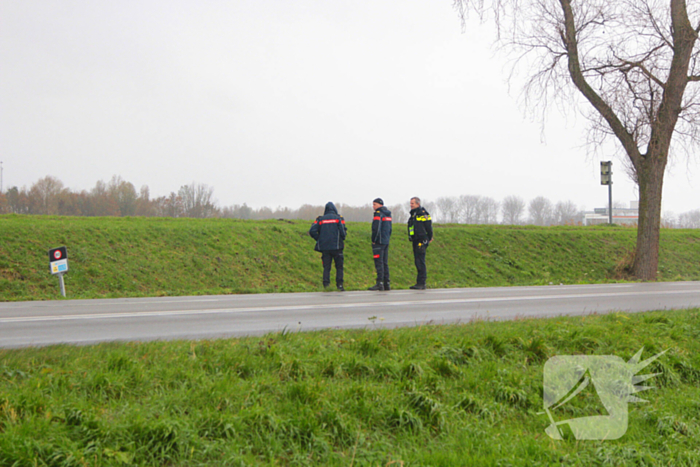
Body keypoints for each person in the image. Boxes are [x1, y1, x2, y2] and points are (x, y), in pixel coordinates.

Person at [309, 202, 347, 291]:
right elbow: (342, 232)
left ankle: (326, 285)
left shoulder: (320, 219)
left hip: (325, 247)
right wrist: (342, 238)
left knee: (326, 267)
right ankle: (340, 285)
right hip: (337, 247)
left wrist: (319, 239)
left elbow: (312, 231)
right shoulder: (338, 218)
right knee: (339, 267)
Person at [408, 197, 433, 290]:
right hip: (415, 240)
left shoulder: (423, 214)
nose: (411, 205)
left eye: (413, 204)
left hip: (421, 240)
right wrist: (411, 236)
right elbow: (411, 227)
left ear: (418, 204)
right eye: (410, 203)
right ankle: (419, 282)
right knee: (417, 261)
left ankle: (422, 282)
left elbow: (428, 226)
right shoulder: (413, 214)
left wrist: (429, 238)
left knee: (420, 261)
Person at [369, 198, 392, 291]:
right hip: (386, 241)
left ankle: (380, 283)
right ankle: (387, 283)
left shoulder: (378, 214)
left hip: (379, 242)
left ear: (379, 205)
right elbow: (390, 229)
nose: (373, 207)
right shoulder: (388, 214)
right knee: (385, 262)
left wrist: (374, 239)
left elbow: (376, 228)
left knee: (379, 263)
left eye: (374, 204)